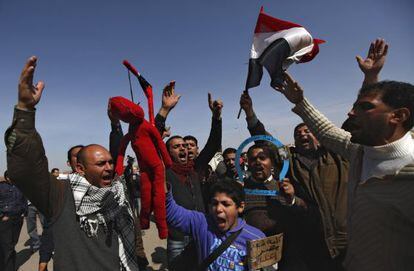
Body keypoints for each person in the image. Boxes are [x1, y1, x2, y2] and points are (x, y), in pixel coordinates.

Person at [276, 39, 414, 271]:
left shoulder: (409, 175)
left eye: (364, 107)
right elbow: (328, 131)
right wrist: (300, 102)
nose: (350, 112)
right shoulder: (360, 152)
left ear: (398, 116)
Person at [5, 56, 139, 270]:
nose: (109, 167)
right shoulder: (60, 194)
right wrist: (24, 111)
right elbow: (26, 168)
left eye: (110, 163)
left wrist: (116, 125)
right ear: (80, 168)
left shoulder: (117, 194)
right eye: (101, 163)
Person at [241, 91, 349, 270]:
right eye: (298, 133)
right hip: (312, 240)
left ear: (318, 135)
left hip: (346, 239)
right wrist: (250, 113)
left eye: (307, 131)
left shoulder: (338, 156)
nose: (302, 134)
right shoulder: (290, 160)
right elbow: (266, 142)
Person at [166, 178, 266, 270]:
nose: (218, 209)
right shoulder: (203, 223)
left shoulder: (257, 238)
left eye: (226, 204)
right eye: (214, 203)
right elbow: (171, 211)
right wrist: (159, 175)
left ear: (240, 207)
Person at [0, 171, 27, 271]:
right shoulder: (1, 187)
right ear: (7, 177)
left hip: (18, 218)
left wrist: (24, 212)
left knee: (12, 243)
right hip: (5, 220)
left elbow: (24, 200)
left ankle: (9, 265)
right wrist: (2, 215)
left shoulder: (20, 186)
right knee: (7, 245)